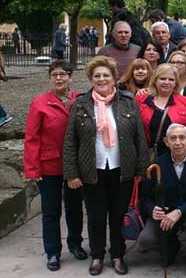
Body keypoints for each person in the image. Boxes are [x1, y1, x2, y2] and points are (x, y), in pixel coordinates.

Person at [63, 56, 150, 275]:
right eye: (97, 76)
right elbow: (70, 141)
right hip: (92, 170)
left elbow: (140, 138)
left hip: (123, 170)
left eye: (106, 75)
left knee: (119, 215)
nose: (102, 79)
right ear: (91, 79)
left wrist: (141, 170)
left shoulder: (128, 101)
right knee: (96, 216)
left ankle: (118, 255)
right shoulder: (81, 104)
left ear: (113, 78)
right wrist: (71, 173)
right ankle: (97, 256)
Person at [24, 61, 86, 271]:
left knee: (75, 207)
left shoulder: (80, 100)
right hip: (49, 165)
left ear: (70, 77)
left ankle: (75, 244)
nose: (58, 78)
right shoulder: (40, 103)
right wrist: (32, 169)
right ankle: (52, 251)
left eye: (63, 74)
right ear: (50, 78)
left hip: (75, 167)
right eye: (54, 75)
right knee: (51, 211)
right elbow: (31, 138)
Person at [136, 123, 186, 276]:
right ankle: (172, 244)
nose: (177, 142)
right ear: (166, 142)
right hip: (166, 212)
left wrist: (179, 211)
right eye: (173, 138)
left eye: (182, 137)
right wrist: (152, 209)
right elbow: (145, 197)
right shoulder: (157, 164)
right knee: (145, 240)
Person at [136, 64, 186, 158]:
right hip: (150, 156)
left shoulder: (185, 102)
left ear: (176, 83)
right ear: (155, 80)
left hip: (178, 156)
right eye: (162, 78)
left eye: (171, 79)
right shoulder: (141, 100)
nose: (167, 82)